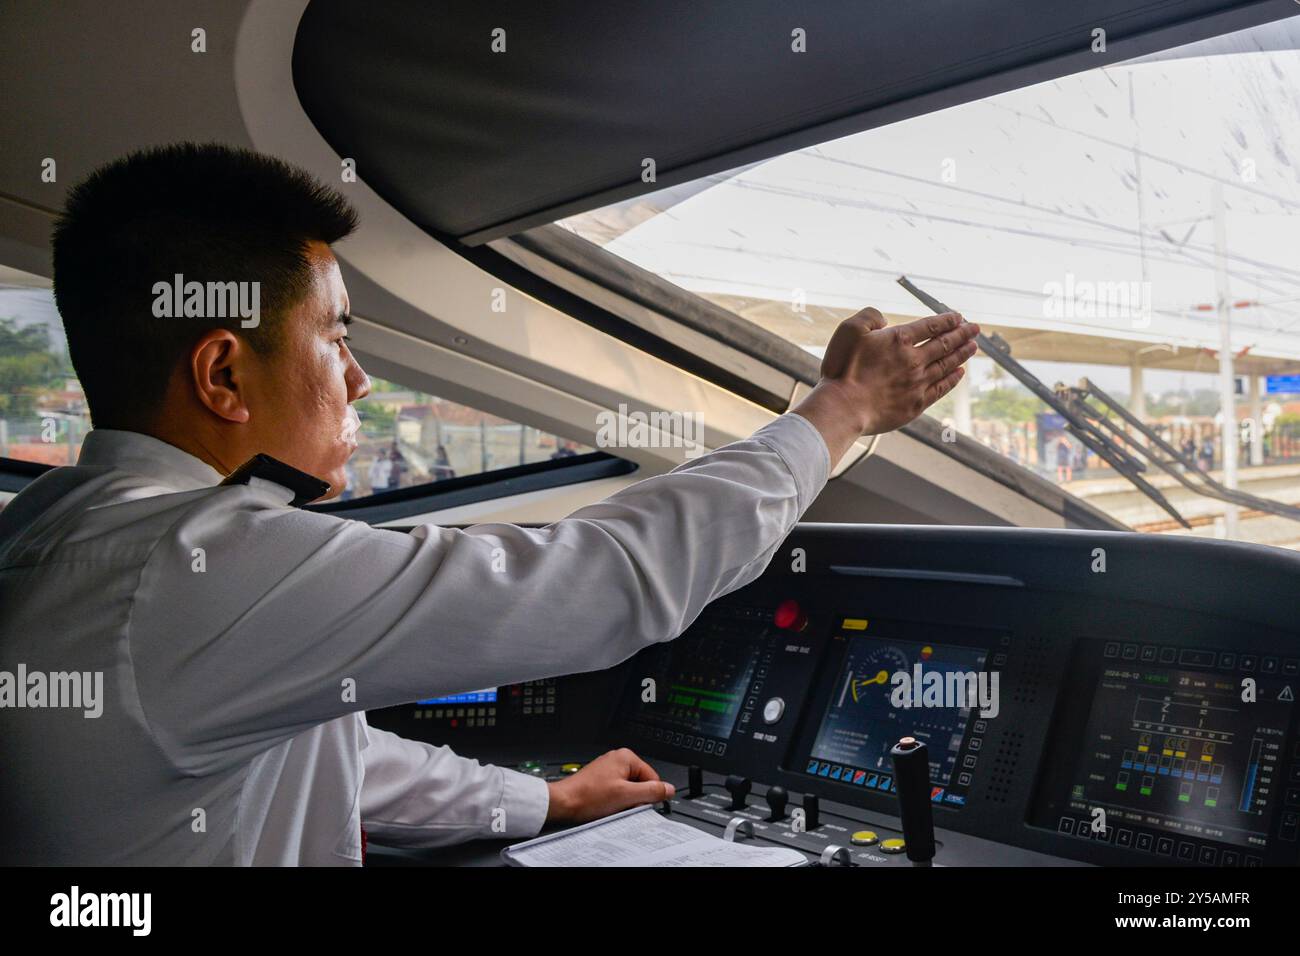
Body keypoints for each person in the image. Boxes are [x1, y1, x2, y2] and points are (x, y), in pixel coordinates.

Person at [0, 143, 977, 865]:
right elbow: (601, 579)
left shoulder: (54, 527)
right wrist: (843, 408)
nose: (359, 377)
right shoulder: (190, 562)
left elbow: (317, 749)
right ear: (222, 373)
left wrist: (543, 799)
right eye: (336, 336)